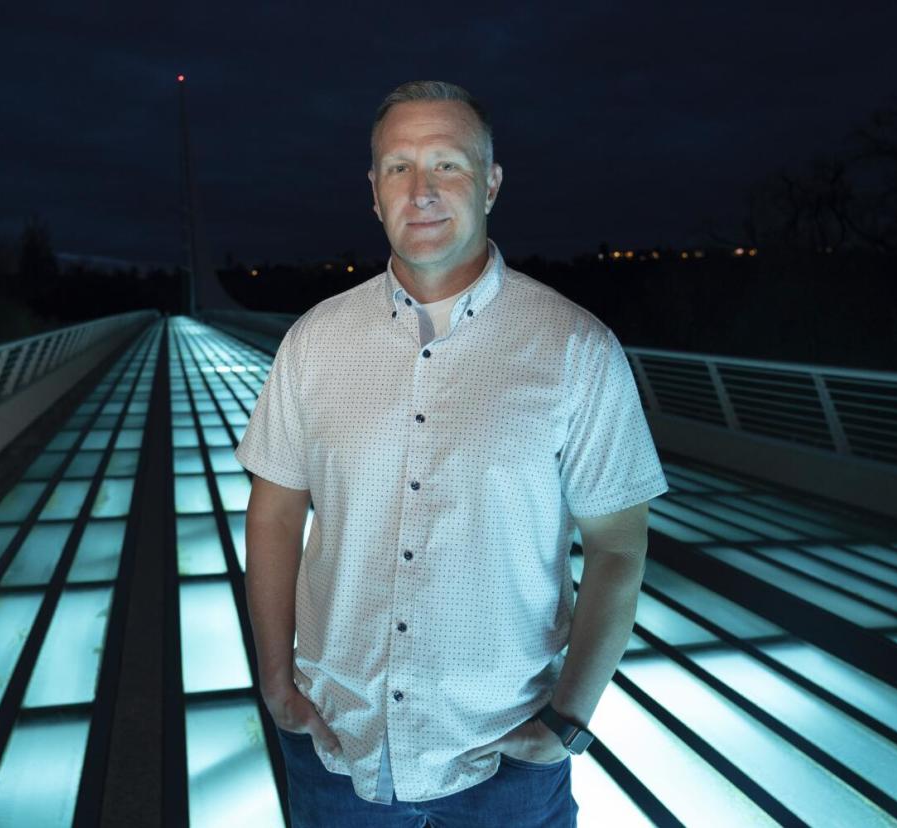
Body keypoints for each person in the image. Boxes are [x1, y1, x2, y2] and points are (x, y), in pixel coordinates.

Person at [235, 79, 668, 827]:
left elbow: (618, 547)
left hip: (504, 762)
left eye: (448, 164)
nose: (422, 190)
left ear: (491, 183)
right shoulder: (313, 341)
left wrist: (568, 719)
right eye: (399, 167)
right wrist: (276, 685)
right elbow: (274, 515)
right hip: (340, 752)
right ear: (373, 193)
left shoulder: (575, 349)